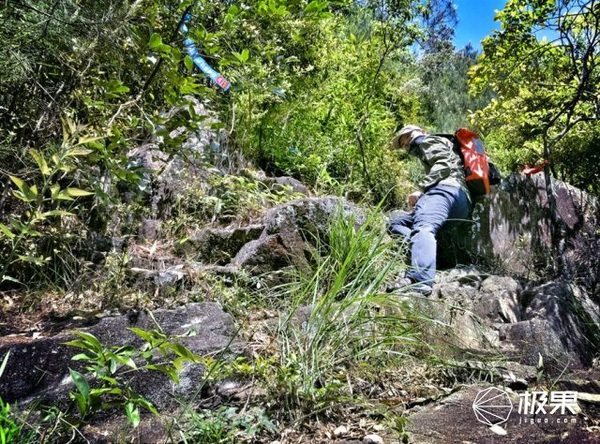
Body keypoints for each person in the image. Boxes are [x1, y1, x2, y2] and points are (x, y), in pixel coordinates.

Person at [387, 125, 471, 295]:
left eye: (408, 139)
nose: (408, 146)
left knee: (423, 227)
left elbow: (443, 163)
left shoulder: (428, 140)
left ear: (419, 132)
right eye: (404, 145)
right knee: (396, 223)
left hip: (445, 190)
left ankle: (420, 279)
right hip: (460, 202)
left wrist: (422, 189)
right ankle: (425, 253)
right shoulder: (437, 145)